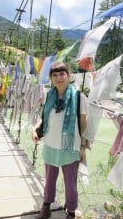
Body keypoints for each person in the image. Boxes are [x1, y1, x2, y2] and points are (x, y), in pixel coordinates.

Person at [32, 62, 89, 219]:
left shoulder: (79, 97)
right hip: (50, 144)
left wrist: (83, 147)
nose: (58, 78)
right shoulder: (50, 95)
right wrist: (34, 128)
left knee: (70, 184)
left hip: (70, 146)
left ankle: (71, 212)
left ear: (68, 75)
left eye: (61, 74)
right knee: (49, 179)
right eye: (54, 75)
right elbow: (45, 117)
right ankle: (46, 206)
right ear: (51, 78)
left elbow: (84, 124)